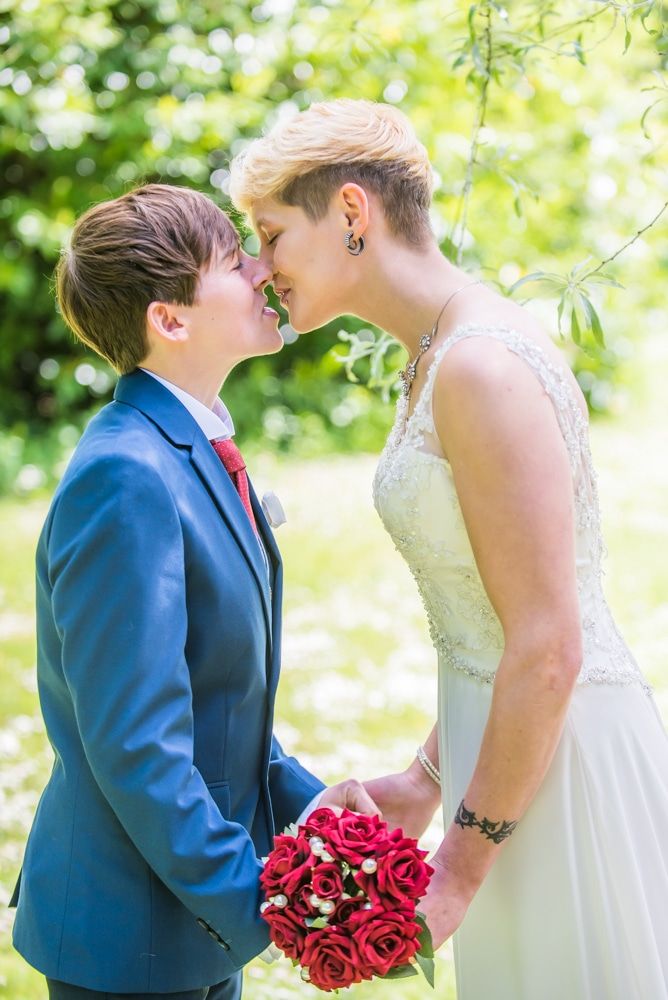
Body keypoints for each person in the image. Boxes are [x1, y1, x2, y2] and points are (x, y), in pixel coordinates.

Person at [229, 99, 668, 999]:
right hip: (500, 764)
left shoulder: (478, 365)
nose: (261, 269)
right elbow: (491, 615)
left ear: (352, 213)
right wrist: (429, 778)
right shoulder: (434, 352)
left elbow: (548, 644)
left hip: (562, 767)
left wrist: (461, 868)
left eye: (270, 235)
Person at [10, 183, 377, 1000]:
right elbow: (139, 746)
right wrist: (263, 905)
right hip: (129, 940)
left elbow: (211, 702)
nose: (261, 270)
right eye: (233, 258)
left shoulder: (189, 446)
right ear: (169, 320)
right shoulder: (125, 476)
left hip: (182, 927)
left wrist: (315, 815)